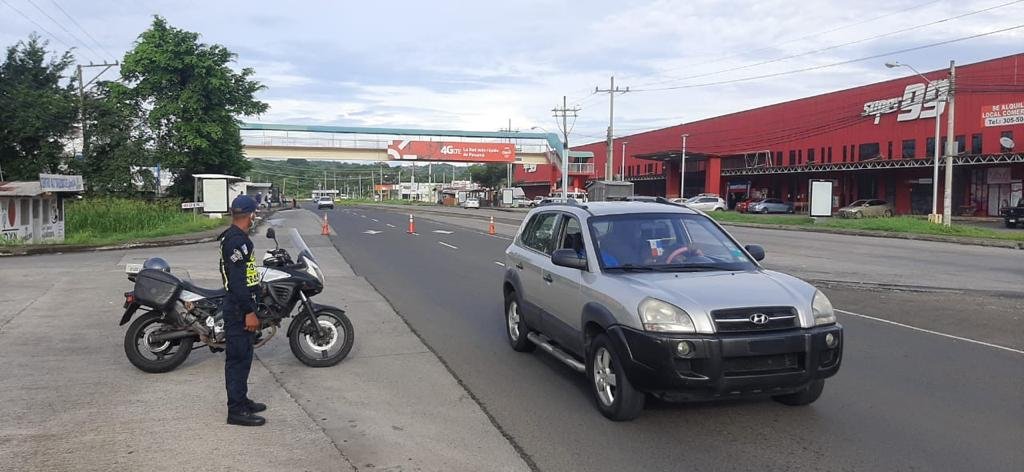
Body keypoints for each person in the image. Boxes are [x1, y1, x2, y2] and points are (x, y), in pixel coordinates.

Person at [219, 195, 267, 427]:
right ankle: (235, 411)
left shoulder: (234, 237)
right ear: (251, 215)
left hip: (241, 304)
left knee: (245, 356)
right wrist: (249, 311)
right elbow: (237, 282)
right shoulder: (238, 241)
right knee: (238, 359)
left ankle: (242, 399)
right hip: (239, 308)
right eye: (255, 213)